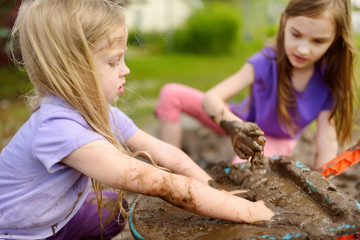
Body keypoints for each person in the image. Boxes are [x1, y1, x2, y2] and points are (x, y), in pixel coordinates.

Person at [0, 0, 275, 239]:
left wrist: (218, 193)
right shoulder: (59, 130)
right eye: (114, 61)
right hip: (20, 234)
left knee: (115, 211)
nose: (126, 70)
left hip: (55, 220)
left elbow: (169, 155)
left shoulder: (97, 112)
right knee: (117, 207)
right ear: (72, 70)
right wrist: (249, 212)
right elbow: (158, 182)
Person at [155, 0, 358, 169]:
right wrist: (236, 128)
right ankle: (170, 168)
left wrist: (322, 179)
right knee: (170, 94)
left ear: (335, 40)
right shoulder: (267, 61)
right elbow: (211, 98)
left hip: (273, 140)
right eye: (296, 35)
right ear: (284, 22)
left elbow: (327, 142)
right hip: (238, 120)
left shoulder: (328, 83)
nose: (303, 49)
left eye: (318, 41)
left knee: (241, 171)